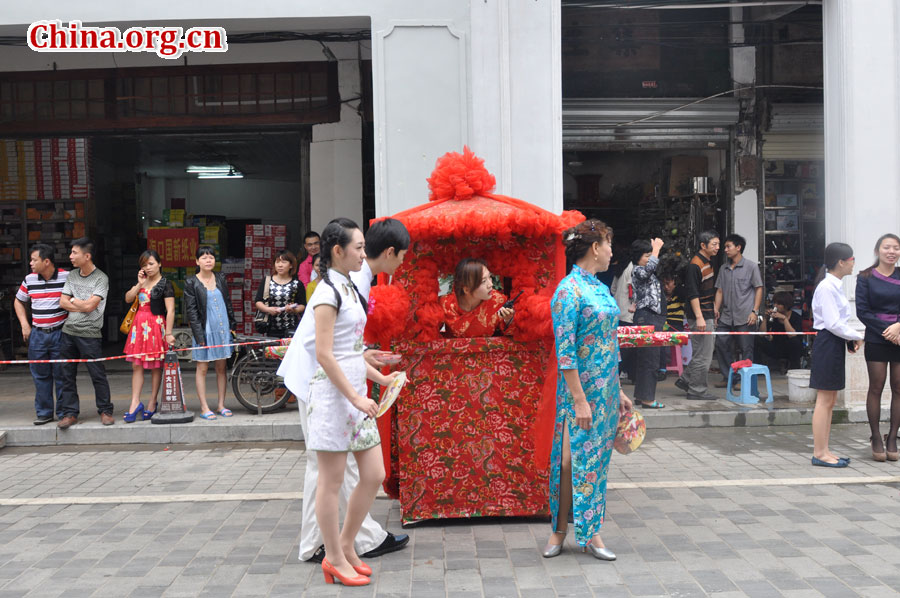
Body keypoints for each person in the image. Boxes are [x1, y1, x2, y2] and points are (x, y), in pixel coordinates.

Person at [278, 217, 411, 565]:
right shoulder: (344, 282)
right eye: (359, 247)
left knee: (343, 471)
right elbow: (327, 350)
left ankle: (338, 543)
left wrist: (372, 368)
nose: (362, 254)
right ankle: (338, 545)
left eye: (364, 247)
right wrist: (357, 390)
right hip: (322, 382)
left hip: (339, 380)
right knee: (331, 471)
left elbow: (346, 344)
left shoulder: (351, 280)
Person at [544, 218, 634, 561]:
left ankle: (591, 530)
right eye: (609, 244)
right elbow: (565, 351)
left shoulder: (600, 288)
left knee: (596, 461)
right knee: (568, 461)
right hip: (578, 393)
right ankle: (560, 529)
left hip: (606, 392)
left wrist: (619, 389)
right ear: (595, 247)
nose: (612, 251)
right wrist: (579, 399)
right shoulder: (568, 291)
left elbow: (610, 343)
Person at [809, 242, 862, 468]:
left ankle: (825, 449)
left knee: (830, 400)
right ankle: (819, 453)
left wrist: (849, 338)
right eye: (851, 259)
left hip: (833, 342)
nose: (853, 263)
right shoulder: (827, 287)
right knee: (824, 400)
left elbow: (838, 322)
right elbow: (832, 323)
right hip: (827, 342)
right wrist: (857, 335)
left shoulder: (834, 285)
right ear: (841, 262)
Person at [57, 237, 113, 429]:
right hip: (68, 332)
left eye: (74, 253)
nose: (70, 256)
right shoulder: (72, 275)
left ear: (87, 256)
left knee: (97, 374)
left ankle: (105, 411)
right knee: (66, 375)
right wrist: (80, 303)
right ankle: (70, 413)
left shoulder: (101, 278)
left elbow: (90, 307)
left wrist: (73, 301)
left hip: (90, 333)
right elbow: (62, 302)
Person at [854, 233, 900, 462]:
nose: (891, 252)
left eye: (896, 248)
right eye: (887, 247)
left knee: (898, 388)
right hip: (876, 337)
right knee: (876, 387)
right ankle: (875, 437)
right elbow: (862, 311)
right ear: (877, 251)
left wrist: (898, 327)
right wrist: (888, 331)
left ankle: (892, 437)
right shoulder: (865, 277)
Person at [13, 243, 69, 426]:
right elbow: (18, 301)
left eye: (34, 260)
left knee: (62, 375)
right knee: (40, 375)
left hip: (59, 332)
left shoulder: (66, 277)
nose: (30, 263)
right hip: (37, 335)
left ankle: (64, 413)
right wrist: (24, 324)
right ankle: (44, 413)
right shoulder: (29, 280)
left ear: (46, 262)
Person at [184, 245, 237, 421]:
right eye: (204, 257)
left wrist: (233, 325)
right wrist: (199, 336)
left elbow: (228, 303)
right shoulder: (191, 282)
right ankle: (204, 407)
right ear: (197, 261)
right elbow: (192, 312)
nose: (208, 260)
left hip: (222, 329)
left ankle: (221, 405)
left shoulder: (221, 278)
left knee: (221, 368)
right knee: (203, 368)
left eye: (211, 257)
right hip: (204, 331)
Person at [122, 250, 175, 423]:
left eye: (151, 263)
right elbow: (128, 298)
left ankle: (152, 401)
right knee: (136, 366)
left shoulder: (165, 284)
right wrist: (139, 285)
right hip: (139, 326)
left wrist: (168, 333)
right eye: (144, 265)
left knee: (155, 366)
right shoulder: (142, 282)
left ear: (159, 264)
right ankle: (135, 402)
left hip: (156, 326)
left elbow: (171, 310)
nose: (148, 267)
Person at [713, 234, 763, 388]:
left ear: (738, 247)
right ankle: (729, 377)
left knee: (746, 349)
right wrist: (716, 309)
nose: (725, 250)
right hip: (726, 316)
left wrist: (755, 311)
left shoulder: (751, 267)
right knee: (721, 344)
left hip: (745, 315)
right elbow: (719, 291)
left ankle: (743, 380)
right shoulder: (723, 268)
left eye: (728, 246)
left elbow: (759, 288)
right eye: (725, 247)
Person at [675, 230, 720, 400]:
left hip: (706, 311)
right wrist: (700, 317)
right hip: (700, 315)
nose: (717, 247)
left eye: (718, 244)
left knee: (703, 351)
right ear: (703, 245)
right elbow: (693, 293)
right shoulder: (695, 265)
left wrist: (713, 307)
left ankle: (686, 379)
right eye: (714, 244)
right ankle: (697, 390)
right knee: (703, 355)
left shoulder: (706, 262)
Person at [631, 238, 666, 409]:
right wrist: (656, 249)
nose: (650, 259)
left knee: (646, 359)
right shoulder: (638, 270)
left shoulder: (641, 271)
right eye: (647, 255)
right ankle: (647, 399)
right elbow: (648, 271)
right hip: (648, 317)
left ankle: (641, 396)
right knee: (650, 360)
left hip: (649, 317)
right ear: (638, 257)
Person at [440, 258, 514, 337]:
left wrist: (508, 320)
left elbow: (509, 334)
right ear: (466, 289)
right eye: (483, 281)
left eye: (490, 277)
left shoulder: (497, 301)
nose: (491, 284)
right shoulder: (445, 304)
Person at [254, 250, 305, 338]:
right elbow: (258, 301)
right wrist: (268, 309)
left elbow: (302, 305)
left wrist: (294, 310)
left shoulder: (297, 283)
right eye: (277, 262)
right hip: (270, 326)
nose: (280, 265)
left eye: (284, 262)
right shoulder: (267, 281)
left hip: (291, 327)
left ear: (291, 265)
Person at [756, 290, 804, 373]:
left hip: (791, 348)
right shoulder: (773, 317)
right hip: (776, 346)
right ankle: (758, 368)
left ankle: (794, 369)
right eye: (774, 303)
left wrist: (784, 319)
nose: (775, 306)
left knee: (794, 342)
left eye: (778, 304)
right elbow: (762, 334)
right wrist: (765, 318)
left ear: (786, 305)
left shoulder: (796, 317)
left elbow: (793, 335)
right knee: (757, 339)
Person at [610, 252, 635, 383]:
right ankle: (627, 374)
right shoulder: (632, 268)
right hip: (629, 312)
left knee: (620, 346)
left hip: (618, 312)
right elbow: (633, 290)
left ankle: (618, 374)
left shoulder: (619, 270)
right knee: (629, 347)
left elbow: (613, 289)